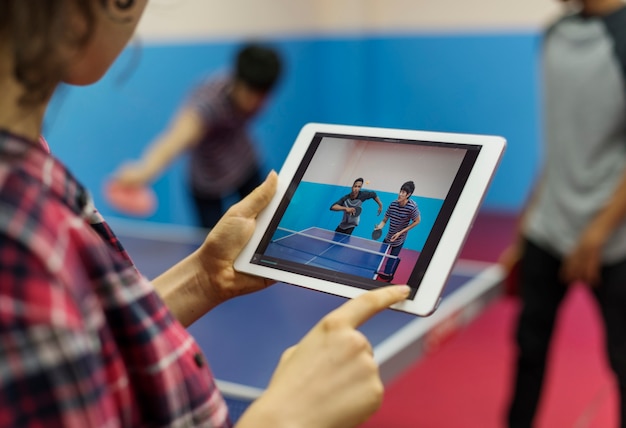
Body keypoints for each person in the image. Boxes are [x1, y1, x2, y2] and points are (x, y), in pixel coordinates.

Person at [0, 1, 411, 427]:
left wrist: (203, 277)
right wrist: (286, 417)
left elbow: (99, 342)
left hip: (239, 161)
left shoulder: (38, 167)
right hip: (207, 179)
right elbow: (177, 137)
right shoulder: (23, 228)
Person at [500, 0, 626, 426]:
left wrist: (597, 233)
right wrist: (526, 222)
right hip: (548, 227)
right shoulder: (553, 35)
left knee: (624, 362)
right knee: (528, 350)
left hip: (612, 240)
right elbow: (561, 142)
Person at [112, 41, 283, 229]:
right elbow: (175, 139)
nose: (256, 103)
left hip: (243, 164)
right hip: (206, 179)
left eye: (263, 96)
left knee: (265, 225)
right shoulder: (209, 102)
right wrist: (143, 171)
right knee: (214, 243)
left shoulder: (255, 94)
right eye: (251, 93)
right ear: (238, 80)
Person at [373, 181, 420, 282]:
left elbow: (417, 221)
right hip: (388, 237)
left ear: (409, 194)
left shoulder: (412, 207)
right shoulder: (393, 204)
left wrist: (401, 232)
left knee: (390, 263)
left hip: (399, 239)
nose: (400, 194)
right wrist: (379, 227)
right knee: (379, 258)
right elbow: (385, 220)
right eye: (400, 191)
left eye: (404, 192)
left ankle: (384, 281)